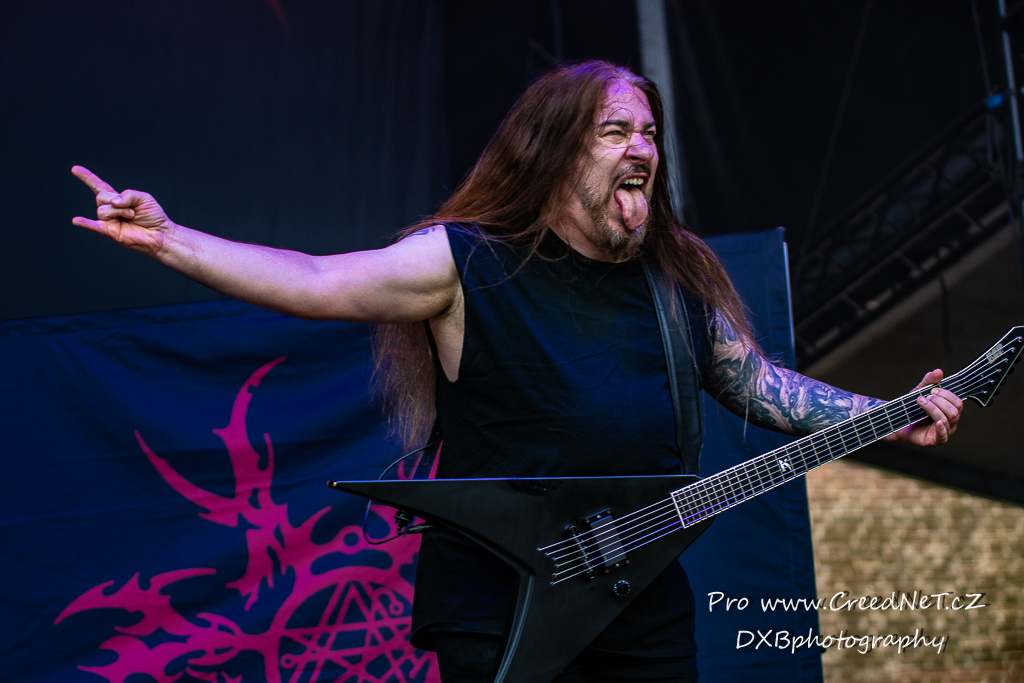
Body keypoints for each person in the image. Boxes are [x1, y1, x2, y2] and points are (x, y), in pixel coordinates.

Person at [72, 61, 961, 683]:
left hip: (639, 595)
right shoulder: (466, 261)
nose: (641, 147)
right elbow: (315, 279)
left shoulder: (674, 278)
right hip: (499, 603)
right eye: (615, 130)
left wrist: (892, 411)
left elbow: (764, 387)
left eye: (649, 132)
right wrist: (172, 240)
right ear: (557, 152)